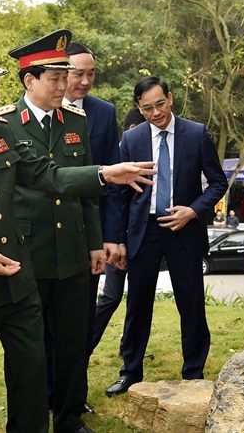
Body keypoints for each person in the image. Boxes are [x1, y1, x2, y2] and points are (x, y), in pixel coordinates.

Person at [0, 28, 156, 433]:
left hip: (19, 286)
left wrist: (105, 174)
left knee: (32, 379)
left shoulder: (0, 133)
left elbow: (47, 175)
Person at [0, 31, 106, 433]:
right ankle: (25, 421)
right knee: (27, 349)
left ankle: (70, 417)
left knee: (74, 341)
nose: (65, 87)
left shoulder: (76, 121)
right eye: (55, 79)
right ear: (29, 81)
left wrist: (94, 243)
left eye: (67, 78)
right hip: (28, 250)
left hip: (73, 250)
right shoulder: (4, 124)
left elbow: (88, 190)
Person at [106, 76, 228, 397]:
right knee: (137, 305)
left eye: (160, 104)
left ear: (170, 98)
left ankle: (194, 373)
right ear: (138, 107)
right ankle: (130, 373)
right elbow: (119, 195)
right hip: (143, 231)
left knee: (191, 304)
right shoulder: (131, 140)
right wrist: (117, 238)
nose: (155, 112)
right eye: (147, 107)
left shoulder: (196, 133)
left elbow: (218, 183)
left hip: (183, 229)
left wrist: (193, 210)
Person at [62, 43, 123, 416]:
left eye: (91, 74)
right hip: (50, 233)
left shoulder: (103, 113)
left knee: (82, 320)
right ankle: (47, 391)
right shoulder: (36, 114)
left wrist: (109, 236)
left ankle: (74, 393)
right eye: (76, 74)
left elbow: (113, 183)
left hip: (91, 234)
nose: (84, 81)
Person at [90, 108, 145, 358]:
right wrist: (118, 241)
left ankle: (129, 349)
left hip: (141, 239)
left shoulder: (149, 155)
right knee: (111, 297)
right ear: (134, 130)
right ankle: (85, 345)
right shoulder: (115, 158)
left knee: (138, 298)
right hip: (116, 241)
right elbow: (116, 203)